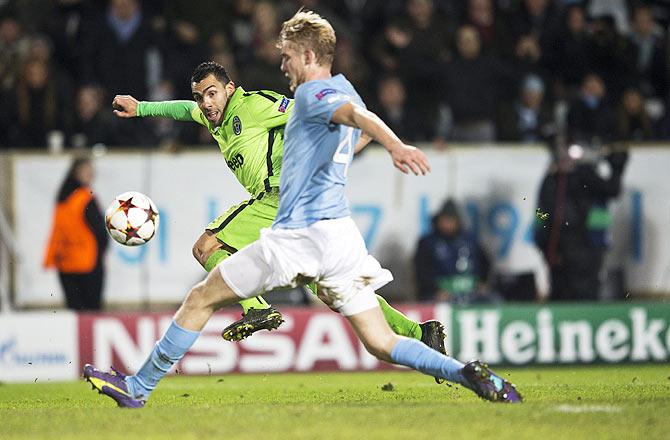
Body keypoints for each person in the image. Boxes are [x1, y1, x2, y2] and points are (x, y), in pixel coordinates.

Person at [84, 10, 521, 407]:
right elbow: (355, 118)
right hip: (339, 236)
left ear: (308, 54)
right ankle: (468, 374)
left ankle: (138, 388)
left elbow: (355, 117)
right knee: (381, 342)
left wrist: (394, 144)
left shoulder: (308, 96)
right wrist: (144, 108)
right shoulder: (338, 89)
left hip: (297, 235)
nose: (282, 66)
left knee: (200, 294)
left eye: (287, 57)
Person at [110, 61, 446, 356]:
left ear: (229, 88)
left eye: (211, 93)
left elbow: (307, 112)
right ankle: (421, 333)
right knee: (338, 294)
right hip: (304, 212)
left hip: (280, 198)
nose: (205, 103)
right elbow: (183, 110)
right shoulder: (213, 116)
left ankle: (256, 309)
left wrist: (354, 133)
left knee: (207, 246)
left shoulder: (254, 105)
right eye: (200, 96)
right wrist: (141, 108)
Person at [534, 139, 629, 301]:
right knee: (564, 290)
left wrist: (617, 168)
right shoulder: (552, 181)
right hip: (561, 247)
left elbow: (612, 190)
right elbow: (540, 212)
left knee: (588, 289)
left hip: (589, 244)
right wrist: (547, 238)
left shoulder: (586, 175)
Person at [43, 156, 108, 310]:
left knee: (75, 311)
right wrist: (101, 254)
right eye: (87, 171)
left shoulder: (62, 197)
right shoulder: (84, 197)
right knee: (91, 312)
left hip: (65, 261)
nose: (91, 174)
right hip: (87, 262)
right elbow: (100, 230)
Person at [414, 199, 496, 305]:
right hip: (439, 295)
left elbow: (485, 262)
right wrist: (435, 290)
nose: (447, 224)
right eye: (444, 220)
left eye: (450, 220)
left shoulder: (469, 240)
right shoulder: (428, 243)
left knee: (493, 300)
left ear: (457, 221)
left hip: (470, 293)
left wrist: (483, 283)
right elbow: (421, 271)